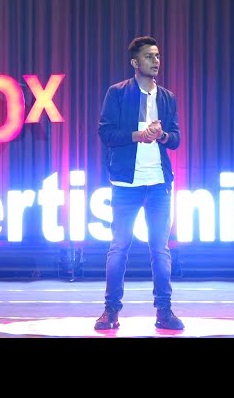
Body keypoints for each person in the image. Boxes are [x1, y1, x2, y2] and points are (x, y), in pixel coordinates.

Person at [95, 35, 184, 330]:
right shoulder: (118, 93)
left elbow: (176, 139)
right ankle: (110, 311)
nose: (155, 61)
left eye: (157, 56)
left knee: (160, 249)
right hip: (126, 186)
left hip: (159, 184)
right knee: (119, 247)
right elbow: (106, 134)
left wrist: (162, 136)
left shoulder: (167, 97)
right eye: (149, 56)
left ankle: (164, 311)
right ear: (135, 62)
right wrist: (138, 135)